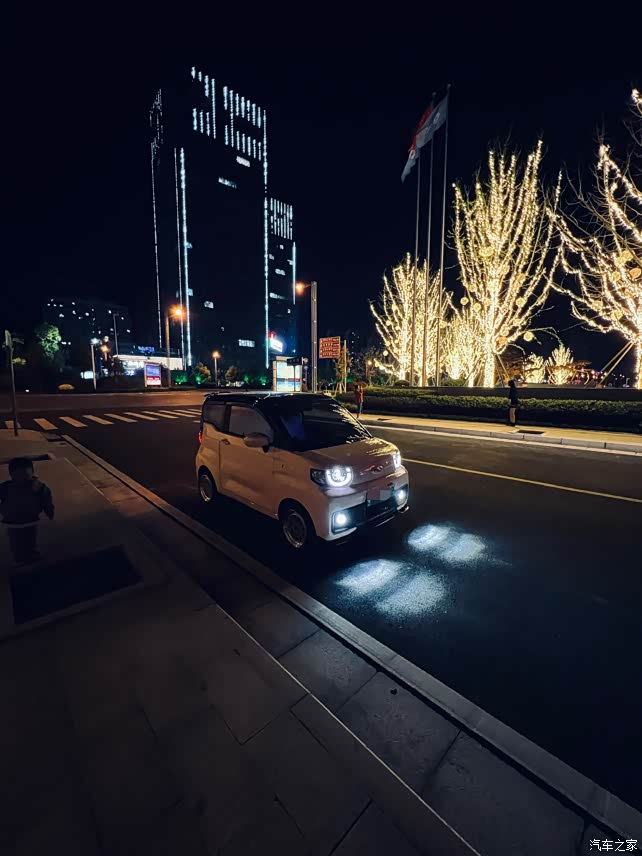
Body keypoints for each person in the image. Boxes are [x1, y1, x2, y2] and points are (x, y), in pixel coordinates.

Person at [0, 457, 54, 565]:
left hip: (15, 521)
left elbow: (46, 499)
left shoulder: (5, 487)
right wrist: (49, 512)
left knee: (19, 541)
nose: (21, 479)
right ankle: (28, 556)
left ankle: (21, 558)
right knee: (27, 540)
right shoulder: (38, 486)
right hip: (27, 520)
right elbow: (46, 500)